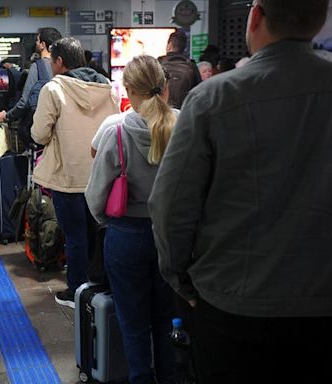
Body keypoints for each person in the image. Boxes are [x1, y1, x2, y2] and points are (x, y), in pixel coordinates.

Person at [148, 1, 332, 383]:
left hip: (233, 306)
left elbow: (170, 207)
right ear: (320, 20)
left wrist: (181, 281)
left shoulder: (214, 98)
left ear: (256, 17)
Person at [86, 55, 177, 384]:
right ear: (166, 88)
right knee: (168, 319)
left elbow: (95, 195)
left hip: (126, 236)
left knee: (133, 322)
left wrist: (109, 223)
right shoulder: (184, 125)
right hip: (173, 236)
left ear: (128, 90)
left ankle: (140, 378)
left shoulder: (117, 129)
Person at [31, 37, 119, 308]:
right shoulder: (108, 88)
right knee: (97, 233)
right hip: (100, 174)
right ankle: (98, 284)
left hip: (67, 175)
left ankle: (76, 290)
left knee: (75, 237)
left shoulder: (53, 89)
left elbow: (39, 133)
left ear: (59, 62)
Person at [0, 27, 62, 124]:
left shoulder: (38, 66)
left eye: (38, 41)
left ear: (42, 45)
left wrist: (7, 116)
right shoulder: (61, 65)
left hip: (40, 123)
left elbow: (24, 101)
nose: (36, 43)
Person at [158, 30, 201, 108]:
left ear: (169, 45)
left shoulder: (158, 63)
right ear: (184, 48)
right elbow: (198, 92)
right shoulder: (191, 65)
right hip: (183, 112)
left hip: (161, 112)